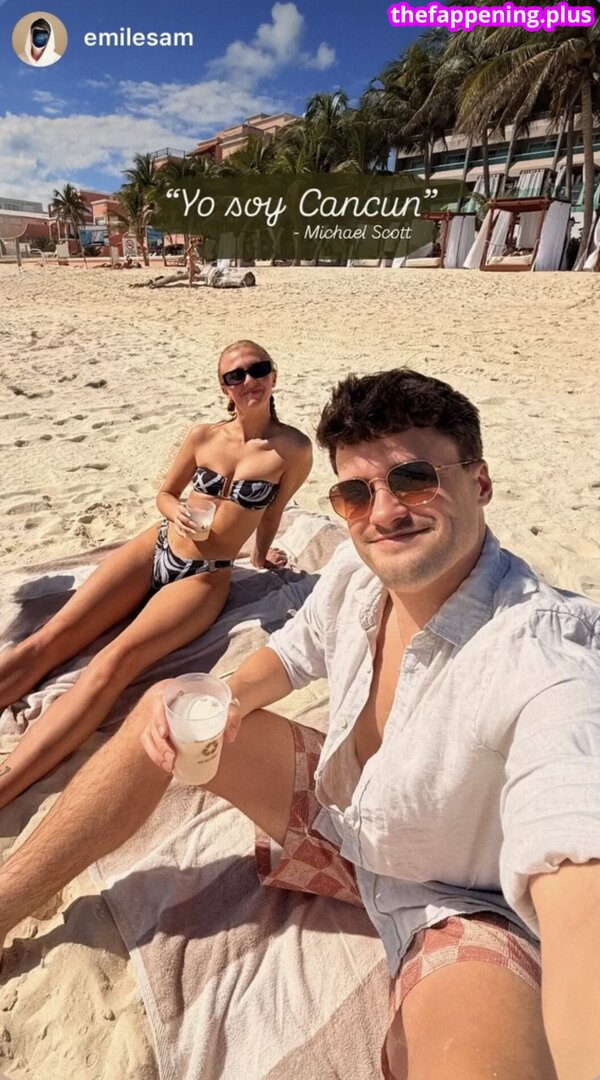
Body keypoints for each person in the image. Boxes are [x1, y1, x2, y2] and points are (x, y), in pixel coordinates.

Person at [1, 368, 599, 1078]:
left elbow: (577, 868)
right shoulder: (357, 575)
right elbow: (291, 654)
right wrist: (219, 695)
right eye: (356, 494)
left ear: (481, 482)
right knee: (165, 705)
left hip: (456, 898)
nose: (383, 513)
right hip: (348, 813)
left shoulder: (543, 651)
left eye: (414, 480)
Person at [0, 340, 312, 808]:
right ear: (223, 388)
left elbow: (273, 512)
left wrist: (261, 557)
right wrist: (176, 511)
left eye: (257, 369)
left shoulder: (293, 449)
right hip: (158, 543)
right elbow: (166, 494)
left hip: (204, 575)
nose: (249, 380)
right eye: (235, 375)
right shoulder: (203, 437)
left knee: (113, 664)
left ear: (273, 375)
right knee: (51, 637)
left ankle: (7, 782)